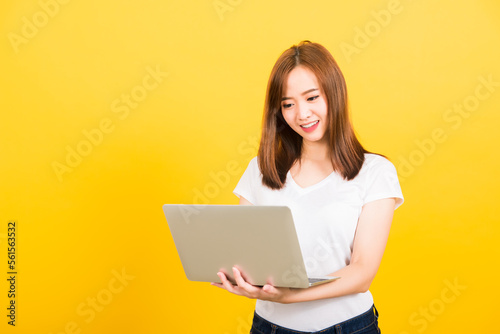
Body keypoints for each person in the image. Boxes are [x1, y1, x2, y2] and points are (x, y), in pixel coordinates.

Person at [211, 40, 404, 334]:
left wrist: (292, 296)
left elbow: (363, 271)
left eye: (312, 98)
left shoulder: (375, 172)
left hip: (348, 327)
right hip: (269, 327)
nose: (301, 114)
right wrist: (239, 276)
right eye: (288, 104)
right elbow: (248, 254)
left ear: (334, 94)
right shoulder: (260, 169)